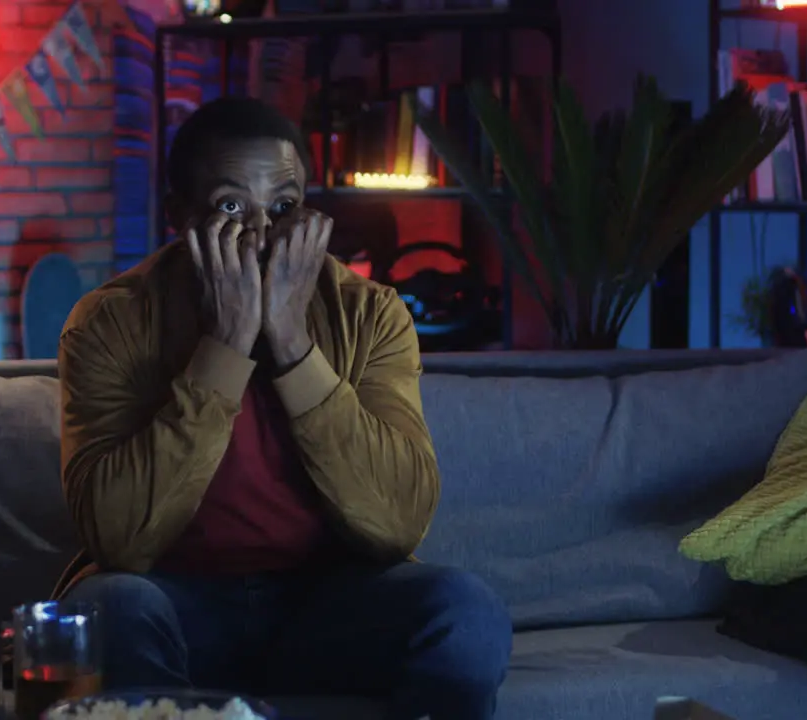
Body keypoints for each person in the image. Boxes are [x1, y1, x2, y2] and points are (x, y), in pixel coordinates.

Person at [55, 97, 512, 720]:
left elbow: (398, 522)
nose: (264, 235)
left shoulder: (369, 313)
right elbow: (118, 540)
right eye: (230, 207)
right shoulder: (110, 322)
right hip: (175, 599)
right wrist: (226, 346)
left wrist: (293, 344)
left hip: (327, 603)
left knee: (465, 608)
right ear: (179, 217)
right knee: (109, 609)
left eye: (283, 208)